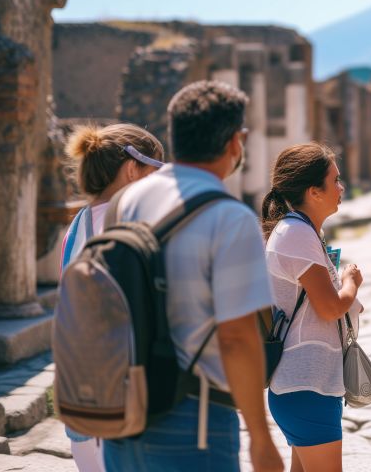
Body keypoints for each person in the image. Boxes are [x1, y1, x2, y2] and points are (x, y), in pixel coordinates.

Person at [101, 80, 283, 472]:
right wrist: (261, 438)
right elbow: (236, 337)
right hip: (193, 421)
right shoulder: (229, 218)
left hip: (122, 409)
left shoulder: (126, 201)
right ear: (237, 141)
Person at [59, 123, 166, 472]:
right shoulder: (140, 227)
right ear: (133, 169)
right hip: (128, 400)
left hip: (82, 395)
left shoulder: (77, 226)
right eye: (156, 172)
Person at [260, 142, 364, 472]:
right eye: (335, 180)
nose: (341, 187)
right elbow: (331, 308)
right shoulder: (297, 234)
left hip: (307, 384)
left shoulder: (299, 230)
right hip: (306, 384)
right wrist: (351, 281)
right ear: (313, 191)